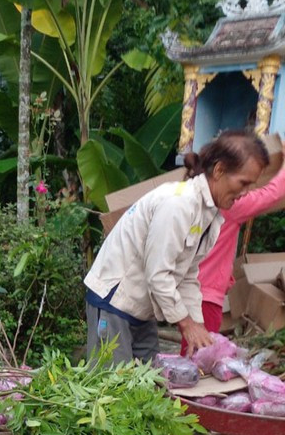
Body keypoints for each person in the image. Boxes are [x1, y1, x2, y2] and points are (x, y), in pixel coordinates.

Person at [84, 130, 269, 362]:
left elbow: (189, 275)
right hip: (115, 301)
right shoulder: (178, 205)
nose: (245, 193)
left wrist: (199, 327)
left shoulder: (209, 215)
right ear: (220, 170)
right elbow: (158, 274)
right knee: (109, 387)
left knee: (150, 385)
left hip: (142, 308)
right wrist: (186, 323)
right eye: (243, 183)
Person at [183, 143, 285, 348]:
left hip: (189, 289)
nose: (244, 189)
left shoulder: (192, 197)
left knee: (190, 355)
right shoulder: (230, 205)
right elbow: (271, 194)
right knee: (197, 361)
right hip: (206, 295)